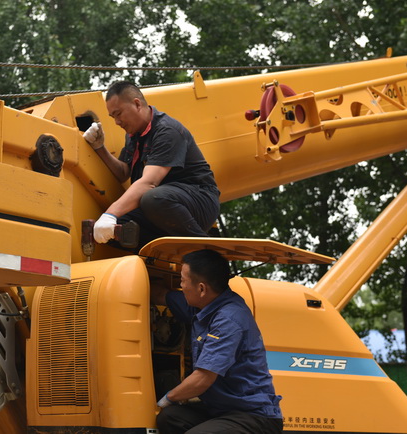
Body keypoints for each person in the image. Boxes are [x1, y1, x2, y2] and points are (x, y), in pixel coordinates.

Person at [153, 249, 283, 434]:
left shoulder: (229, 319)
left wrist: (165, 399)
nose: (180, 286)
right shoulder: (202, 307)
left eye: (182, 281)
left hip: (253, 415)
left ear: (201, 288)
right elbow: (160, 295)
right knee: (170, 418)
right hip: (221, 409)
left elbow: (203, 379)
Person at [83, 81, 220, 249]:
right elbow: (123, 172)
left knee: (151, 198)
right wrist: (99, 147)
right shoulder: (133, 135)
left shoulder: (167, 130)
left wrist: (110, 213)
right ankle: (163, 255)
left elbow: (149, 183)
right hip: (164, 205)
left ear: (137, 104)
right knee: (115, 230)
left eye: (118, 114)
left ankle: (204, 251)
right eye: (113, 117)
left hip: (199, 201)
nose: (117, 122)